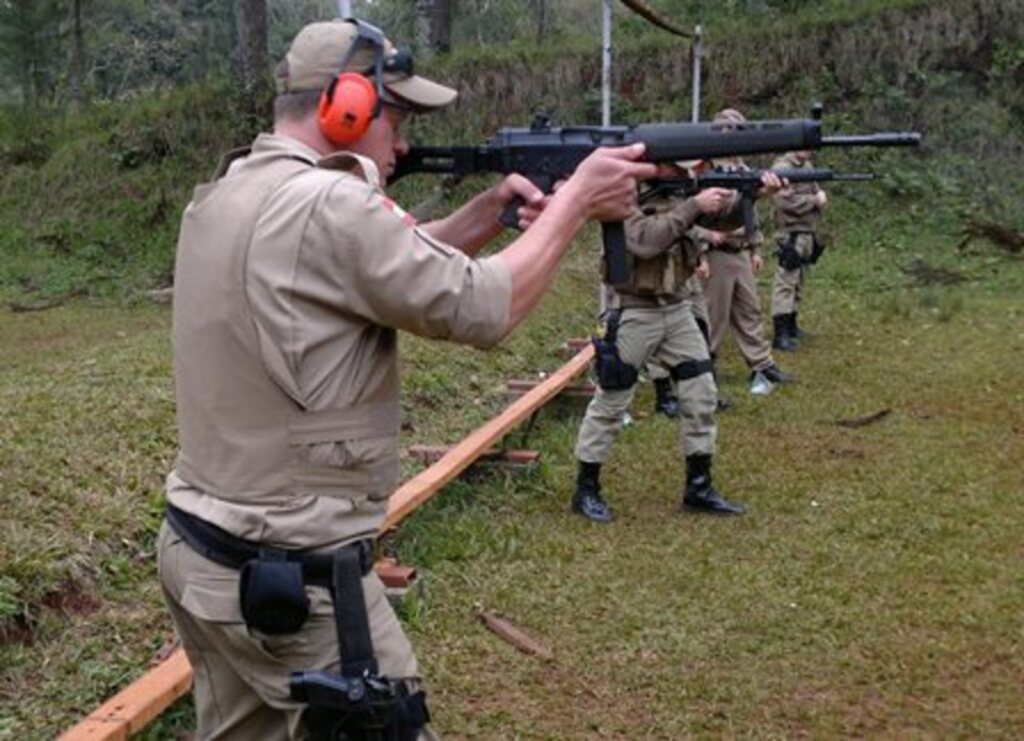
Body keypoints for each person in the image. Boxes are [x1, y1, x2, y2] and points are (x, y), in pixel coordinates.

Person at [156, 18, 655, 740]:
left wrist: (486, 215)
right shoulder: (332, 203)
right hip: (297, 576)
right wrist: (576, 202)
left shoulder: (232, 190)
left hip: (202, 552)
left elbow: (368, 268)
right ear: (345, 105)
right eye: (395, 119)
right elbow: (487, 310)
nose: (404, 142)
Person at [570, 165, 779, 523]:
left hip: (678, 308)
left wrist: (751, 194)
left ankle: (698, 487)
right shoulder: (624, 193)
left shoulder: (682, 192)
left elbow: (724, 221)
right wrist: (694, 205)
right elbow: (644, 240)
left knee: (701, 394)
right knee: (611, 400)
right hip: (635, 310)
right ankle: (586, 489)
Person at [697, 108, 793, 396]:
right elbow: (696, 216)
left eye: (737, 129)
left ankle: (762, 364)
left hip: (738, 249)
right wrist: (699, 255)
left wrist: (755, 247)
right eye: (726, 129)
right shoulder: (705, 168)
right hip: (714, 249)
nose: (732, 134)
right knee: (713, 315)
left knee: (749, 310)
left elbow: (749, 211)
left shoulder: (740, 165)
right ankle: (704, 367)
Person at [770, 149, 828, 351]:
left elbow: (816, 190)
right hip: (790, 233)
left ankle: (792, 325)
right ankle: (780, 334)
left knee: (799, 281)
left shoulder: (807, 167)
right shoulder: (781, 169)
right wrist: (815, 201)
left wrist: (819, 197)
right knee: (786, 282)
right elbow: (785, 203)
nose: (807, 151)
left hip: (807, 232)